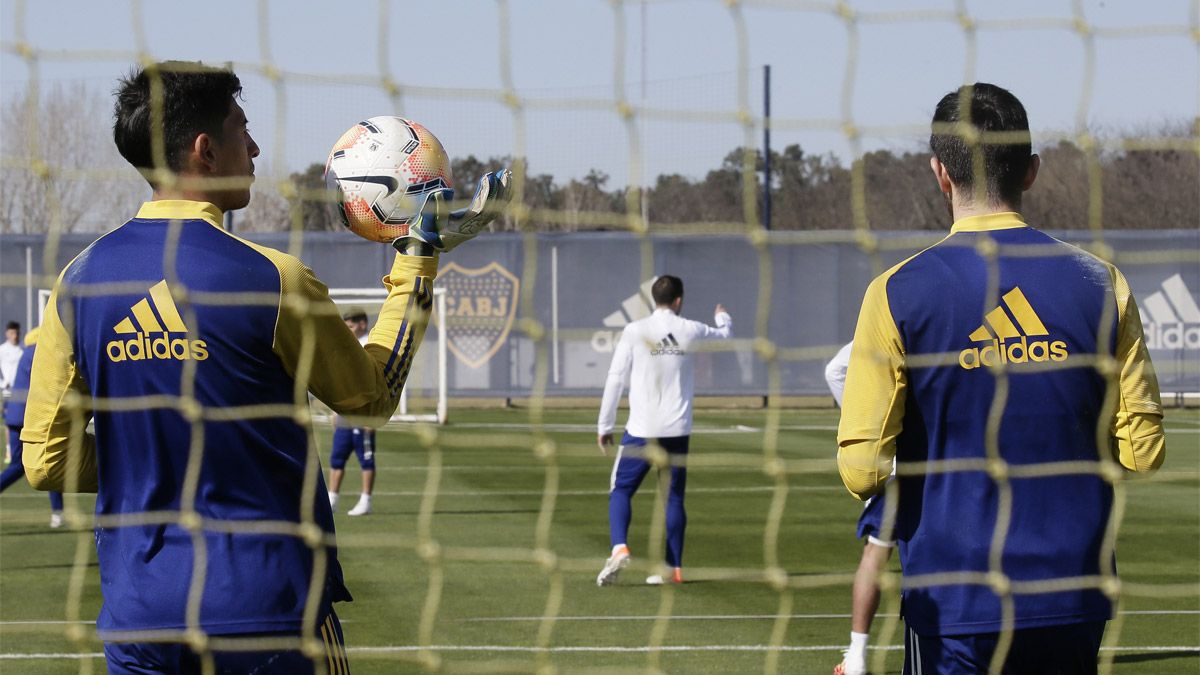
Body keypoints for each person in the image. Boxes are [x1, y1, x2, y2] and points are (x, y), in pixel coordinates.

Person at [21, 60, 509, 674]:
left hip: (142, 618)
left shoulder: (79, 281)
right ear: (204, 149)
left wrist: (152, 466)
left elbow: (46, 464)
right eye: (242, 130)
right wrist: (418, 258)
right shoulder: (273, 279)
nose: (253, 148)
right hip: (268, 611)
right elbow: (372, 398)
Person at [837, 82, 1165, 674]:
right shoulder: (1103, 282)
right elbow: (1143, 452)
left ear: (940, 173)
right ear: (1032, 171)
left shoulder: (894, 293)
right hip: (1075, 588)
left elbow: (861, 471)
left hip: (956, 595)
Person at [595, 275, 732, 586]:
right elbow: (725, 335)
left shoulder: (634, 330)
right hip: (677, 430)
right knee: (673, 499)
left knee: (621, 490)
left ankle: (620, 547)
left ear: (652, 300)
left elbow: (615, 378)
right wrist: (722, 315)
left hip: (641, 429)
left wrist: (604, 424)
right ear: (679, 300)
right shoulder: (692, 329)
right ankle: (674, 568)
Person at [827, 341, 896, 675]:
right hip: (945, 464)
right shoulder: (947, 316)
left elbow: (834, 370)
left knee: (875, 556)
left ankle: (857, 655)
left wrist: (861, 423)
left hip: (895, 468)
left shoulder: (885, 323)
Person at [0, 327, 64, 527]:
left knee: (19, 465)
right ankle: (57, 513)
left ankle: (58, 513)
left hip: (14, 416)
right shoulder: (40, 352)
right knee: (49, 461)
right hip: (30, 418)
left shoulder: (26, 352)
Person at [328, 307, 378, 516]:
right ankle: (332, 499)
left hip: (363, 413)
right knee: (337, 456)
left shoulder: (370, 345)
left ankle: (366, 500)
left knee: (365, 457)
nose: (347, 330)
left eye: (350, 326)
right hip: (345, 412)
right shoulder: (346, 347)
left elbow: (374, 383)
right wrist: (335, 409)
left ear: (362, 324)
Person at [0, 321, 23, 463]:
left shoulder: (22, 350)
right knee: (10, 421)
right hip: (7, 391)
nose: (15, 336)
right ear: (7, 334)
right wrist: (2, 383)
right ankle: (10, 450)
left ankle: (22, 450)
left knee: (22, 419)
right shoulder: (2, 350)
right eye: (12, 333)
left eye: (17, 333)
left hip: (21, 391)